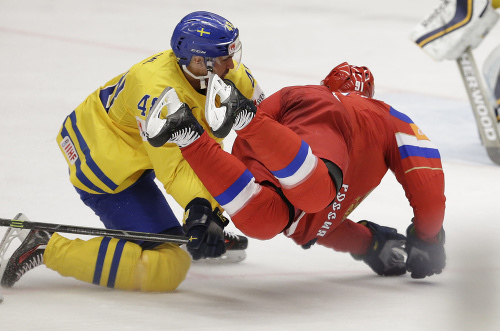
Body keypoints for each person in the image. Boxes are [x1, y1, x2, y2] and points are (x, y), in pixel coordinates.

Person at [1, 11, 264, 292]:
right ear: (199, 61)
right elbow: (175, 168)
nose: (232, 64)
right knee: (167, 268)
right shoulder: (157, 94)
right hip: (105, 162)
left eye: (232, 54)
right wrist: (204, 214)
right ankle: (44, 245)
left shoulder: (226, 73)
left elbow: (267, 124)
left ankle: (185, 229)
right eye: (224, 58)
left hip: (138, 149)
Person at [145, 62, 446, 279]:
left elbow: (320, 225)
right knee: (318, 193)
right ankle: (243, 116)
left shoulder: (308, 95)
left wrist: (371, 244)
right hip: (298, 137)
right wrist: (428, 239)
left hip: (274, 143)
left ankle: (187, 134)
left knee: (265, 220)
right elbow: (427, 184)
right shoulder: (383, 115)